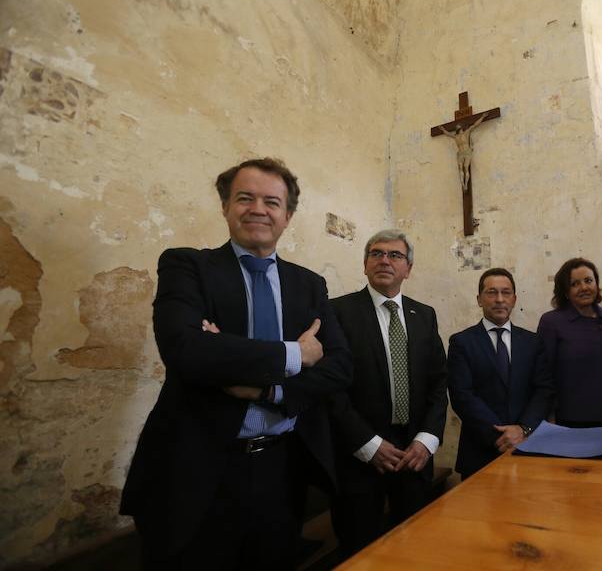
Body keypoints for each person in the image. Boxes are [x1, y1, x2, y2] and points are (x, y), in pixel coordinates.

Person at [119, 158, 352, 569]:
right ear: (226, 207)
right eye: (245, 198)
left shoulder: (308, 284)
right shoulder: (187, 266)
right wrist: (296, 354)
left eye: (271, 202)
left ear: (287, 216)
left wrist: (266, 387)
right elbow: (185, 350)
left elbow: (340, 367)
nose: (258, 209)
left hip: (283, 470)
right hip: (195, 471)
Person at [328, 229, 448, 559]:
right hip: (358, 457)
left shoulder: (424, 315)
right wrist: (367, 444)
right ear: (365, 264)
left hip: (414, 453)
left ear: (408, 269)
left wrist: (427, 439)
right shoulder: (337, 312)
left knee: (414, 550)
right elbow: (330, 389)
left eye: (395, 255)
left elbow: (438, 383)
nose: (385, 260)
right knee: (359, 552)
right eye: (376, 253)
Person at [447, 268, 554, 479]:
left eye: (506, 292)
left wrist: (522, 429)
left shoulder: (533, 342)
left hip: (527, 446)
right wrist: (501, 435)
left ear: (514, 299)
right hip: (479, 452)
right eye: (491, 292)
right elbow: (462, 396)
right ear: (479, 299)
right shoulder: (461, 342)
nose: (499, 299)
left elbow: (544, 390)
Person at [537, 258, 602, 430]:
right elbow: (544, 373)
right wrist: (548, 414)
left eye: (588, 280)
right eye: (575, 284)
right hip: (571, 420)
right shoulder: (552, 322)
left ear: (596, 284)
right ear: (565, 291)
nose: (584, 287)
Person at [439, 112, 487, 192]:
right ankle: (464, 184)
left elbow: (475, 125)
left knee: (464, 168)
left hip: (465, 153)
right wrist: (443, 129)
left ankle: (465, 184)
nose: (459, 129)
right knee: (462, 168)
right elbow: (448, 134)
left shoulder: (462, 134)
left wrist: (482, 117)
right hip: (462, 153)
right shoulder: (458, 135)